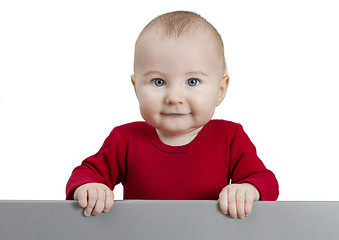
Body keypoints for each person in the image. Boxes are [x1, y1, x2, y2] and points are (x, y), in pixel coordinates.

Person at [66, 10, 279, 219]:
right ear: (136, 88)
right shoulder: (125, 139)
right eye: (159, 82)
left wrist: (248, 189)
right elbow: (84, 174)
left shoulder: (230, 137)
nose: (174, 97)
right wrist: (90, 188)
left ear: (220, 90)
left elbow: (265, 181)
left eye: (192, 82)